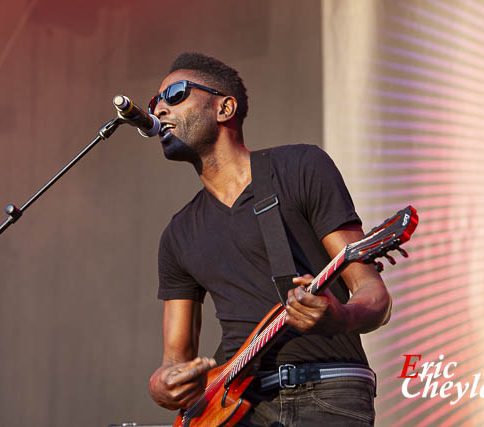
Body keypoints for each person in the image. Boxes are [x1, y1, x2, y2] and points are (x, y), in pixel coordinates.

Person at [147, 52, 391, 426]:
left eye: (175, 94)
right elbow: (174, 361)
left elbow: (374, 296)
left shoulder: (300, 167)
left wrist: (340, 316)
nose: (160, 109)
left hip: (327, 394)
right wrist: (163, 386)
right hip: (236, 409)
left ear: (225, 107)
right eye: (155, 102)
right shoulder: (178, 234)